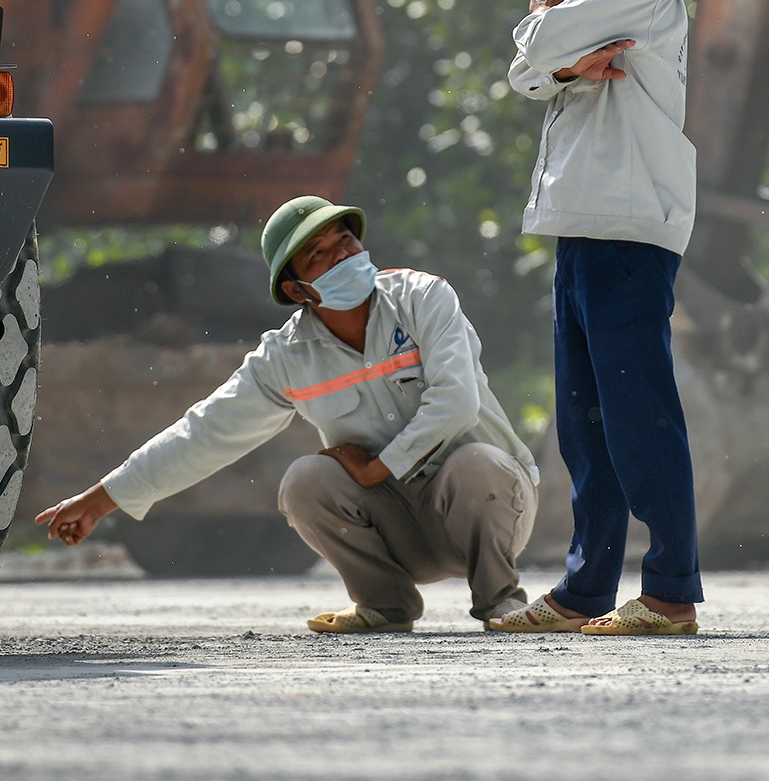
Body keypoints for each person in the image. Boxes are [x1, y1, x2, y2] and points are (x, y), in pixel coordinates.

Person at [36, 196, 541, 633]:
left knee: (477, 463)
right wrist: (103, 500)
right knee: (304, 481)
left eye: (345, 241)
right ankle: (385, 604)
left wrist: (377, 467)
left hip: (487, 508)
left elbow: (456, 402)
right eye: (320, 254)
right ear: (298, 290)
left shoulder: (424, 298)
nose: (343, 254)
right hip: (401, 530)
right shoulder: (287, 357)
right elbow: (204, 434)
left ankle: (500, 600)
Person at [487, 0, 702, 637]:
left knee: (638, 409)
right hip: (586, 226)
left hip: (627, 230)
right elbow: (528, 73)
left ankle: (672, 588)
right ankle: (585, 588)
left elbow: (533, 43)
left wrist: (547, 23)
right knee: (586, 420)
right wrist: (556, 55)